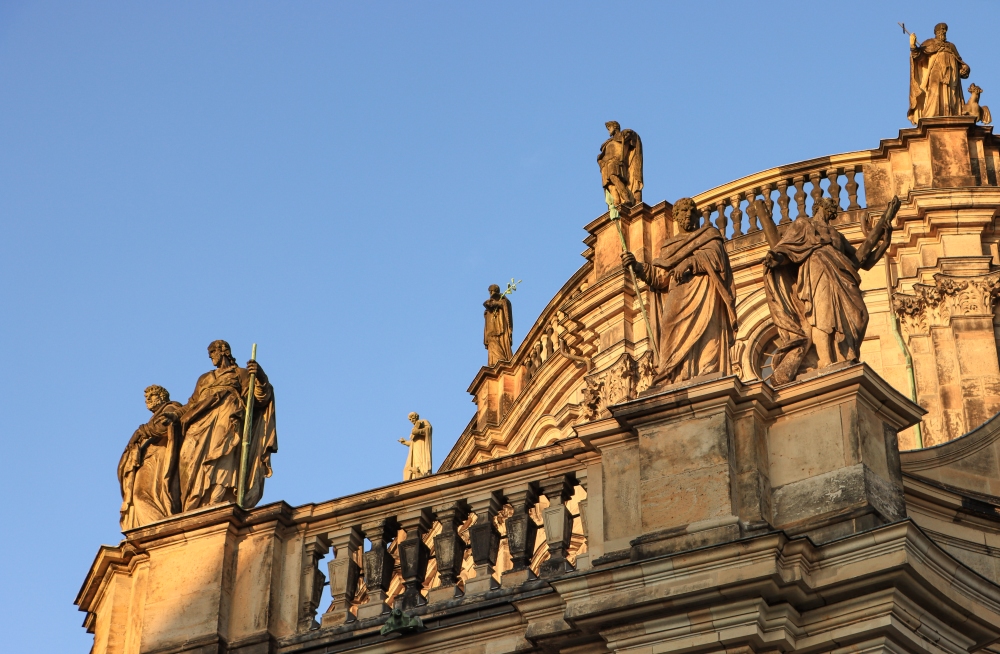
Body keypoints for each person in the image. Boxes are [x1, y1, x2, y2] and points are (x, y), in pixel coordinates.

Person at [762, 196, 897, 384]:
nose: (833, 208)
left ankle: (847, 354)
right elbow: (788, 250)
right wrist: (776, 259)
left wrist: (883, 243)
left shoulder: (837, 235)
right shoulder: (803, 224)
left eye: (833, 207)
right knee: (823, 315)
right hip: (817, 268)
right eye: (829, 205)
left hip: (843, 274)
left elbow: (861, 260)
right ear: (819, 206)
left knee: (861, 316)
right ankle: (825, 361)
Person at [621, 197, 736, 386]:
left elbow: (717, 259)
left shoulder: (709, 235)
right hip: (677, 294)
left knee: (708, 331)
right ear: (676, 216)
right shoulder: (669, 246)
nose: (689, 214)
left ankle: (707, 370)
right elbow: (660, 277)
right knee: (669, 330)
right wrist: (638, 266)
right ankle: (670, 374)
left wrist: (690, 262)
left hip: (704, 291)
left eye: (692, 211)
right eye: (684, 211)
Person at [177, 340, 277, 510]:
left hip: (226, 418)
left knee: (222, 454)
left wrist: (261, 377)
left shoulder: (241, 373)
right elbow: (191, 404)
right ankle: (193, 499)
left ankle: (217, 498)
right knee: (188, 458)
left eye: (213, 352)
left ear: (224, 351)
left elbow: (260, 398)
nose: (211, 357)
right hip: (199, 422)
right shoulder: (204, 378)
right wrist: (173, 414)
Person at [118, 385, 183, 530]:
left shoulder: (171, 408)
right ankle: (151, 529)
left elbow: (164, 426)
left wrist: (141, 432)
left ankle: (160, 530)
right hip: (148, 458)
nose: (147, 399)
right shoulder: (155, 416)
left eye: (151, 396)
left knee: (142, 496)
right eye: (146, 397)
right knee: (139, 496)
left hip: (159, 457)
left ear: (162, 397)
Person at [908, 22, 970, 124]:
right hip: (936, 72)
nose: (944, 32)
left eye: (945, 30)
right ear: (936, 32)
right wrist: (913, 46)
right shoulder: (929, 43)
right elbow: (919, 56)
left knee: (952, 95)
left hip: (952, 74)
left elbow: (960, 61)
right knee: (934, 91)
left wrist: (965, 68)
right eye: (941, 30)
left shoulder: (951, 46)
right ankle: (932, 115)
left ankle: (953, 114)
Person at [598, 121, 643, 209]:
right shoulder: (608, 142)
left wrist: (630, 132)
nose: (608, 130)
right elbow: (601, 156)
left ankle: (627, 198)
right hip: (605, 166)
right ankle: (616, 204)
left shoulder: (623, 136)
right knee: (610, 186)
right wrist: (601, 162)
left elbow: (634, 138)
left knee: (614, 178)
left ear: (615, 127)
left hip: (615, 162)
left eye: (609, 128)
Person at [484, 284, 513, 366]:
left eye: (491, 291)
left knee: (494, 340)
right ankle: (493, 361)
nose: (490, 293)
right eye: (490, 291)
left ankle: (500, 359)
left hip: (499, 327)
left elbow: (504, 305)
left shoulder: (503, 300)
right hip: (491, 327)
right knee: (491, 340)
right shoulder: (492, 301)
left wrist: (495, 304)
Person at [398, 412, 432, 480]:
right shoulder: (415, 427)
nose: (412, 420)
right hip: (415, 449)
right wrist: (405, 442)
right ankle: (415, 475)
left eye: (413, 418)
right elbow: (413, 443)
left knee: (420, 463)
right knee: (409, 468)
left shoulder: (423, 422)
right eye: (410, 419)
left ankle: (421, 473)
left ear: (416, 417)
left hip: (422, 447)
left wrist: (418, 431)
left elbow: (429, 429)